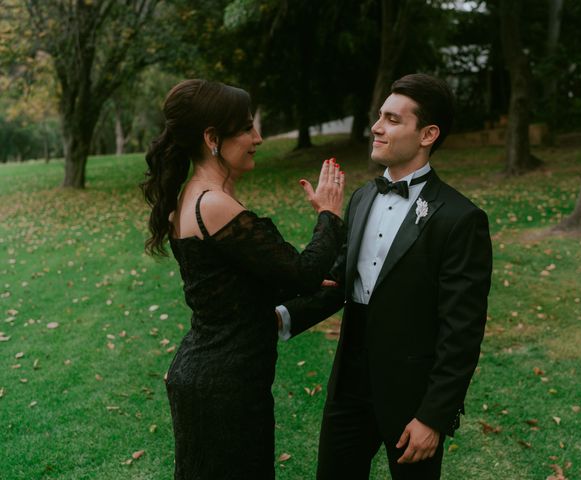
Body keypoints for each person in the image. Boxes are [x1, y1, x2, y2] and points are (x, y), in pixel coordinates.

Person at [277, 73, 493, 479]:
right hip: (349, 387)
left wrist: (434, 417)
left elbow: (462, 331)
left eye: (393, 120)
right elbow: (340, 283)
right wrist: (280, 316)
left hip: (411, 396)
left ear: (427, 133)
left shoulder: (460, 219)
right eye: (380, 116)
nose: (376, 127)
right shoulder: (361, 198)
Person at [140, 79, 346, 479]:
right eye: (247, 128)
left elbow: (235, 283)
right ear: (212, 138)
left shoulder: (194, 197)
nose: (258, 137)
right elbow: (303, 272)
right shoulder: (212, 203)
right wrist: (329, 214)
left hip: (212, 375)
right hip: (224, 386)